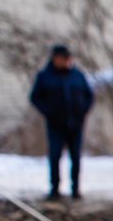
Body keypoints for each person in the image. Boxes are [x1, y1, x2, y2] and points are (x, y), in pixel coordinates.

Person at [29, 45, 94, 200]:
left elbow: (89, 96)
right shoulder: (45, 76)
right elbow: (35, 97)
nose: (64, 62)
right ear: (54, 59)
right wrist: (48, 112)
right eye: (60, 59)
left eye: (66, 59)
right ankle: (55, 188)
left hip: (76, 124)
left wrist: (82, 112)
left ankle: (75, 188)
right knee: (55, 155)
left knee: (76, 157)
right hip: (55, 124)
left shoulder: (77, 75)